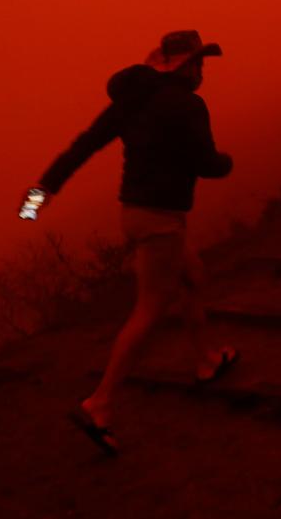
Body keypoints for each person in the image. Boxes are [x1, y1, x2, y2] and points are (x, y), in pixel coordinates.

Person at [24, 30, 237, 456]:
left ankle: (206, 361)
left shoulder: (132, 101)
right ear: (185, 66)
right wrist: (226, 162)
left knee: (192, 275)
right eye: (199, 64)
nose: (202, 72)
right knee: (149, 310)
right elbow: (208, 165)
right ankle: (98, 403)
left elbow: (83, 146)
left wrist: (38, 196)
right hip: (160, 219)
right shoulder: (189, 105)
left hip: (137, 214)